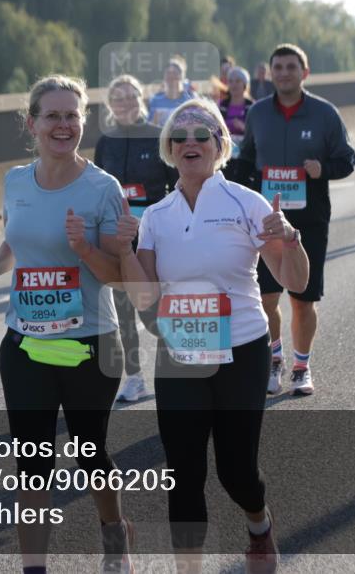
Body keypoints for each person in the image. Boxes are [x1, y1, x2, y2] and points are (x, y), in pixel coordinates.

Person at [117, 98, 309, 574]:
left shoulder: (247, 202)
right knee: (183, 474)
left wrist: (292, 240)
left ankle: (259, 525)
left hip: (241, 352)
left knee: (236, 472)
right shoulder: (158, 216)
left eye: (202, 134)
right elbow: (145, 297)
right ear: (168, 149)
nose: (190, 143)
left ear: (220, 144)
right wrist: (123, 249)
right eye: (179, 137)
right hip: (180, 354)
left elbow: (295, 281)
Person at [0, 75, 133, 573]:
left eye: (72, 116)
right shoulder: (16, 181)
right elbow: (17, 241)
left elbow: (116, 275)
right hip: (26, 345)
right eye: (53, 116)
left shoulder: (103, 188)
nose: (63, 125)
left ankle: (115, 536)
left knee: (90, 453)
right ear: (32, 122)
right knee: (32, 466)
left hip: (88, 344)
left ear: (83, 121)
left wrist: (83, 248)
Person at [234, 43, 355, 396]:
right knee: (266, 299)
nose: (284, 73)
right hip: (266, 222)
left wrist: (323, 169)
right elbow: (246, 160)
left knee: (303, 299)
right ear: (270, 73)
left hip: (308, 222)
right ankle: (275, 360)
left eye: (291, 67)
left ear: (304, 73)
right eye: (279, 67)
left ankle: (302, 367)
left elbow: (347, 159)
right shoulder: (258, 114)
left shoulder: (325, 114)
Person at [95, 74, 177, 402]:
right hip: (118, 241)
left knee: (152, 313)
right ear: (110, 105)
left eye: (131, 96)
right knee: (123, 312)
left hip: (153, 242)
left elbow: (178, 185)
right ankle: (135, 378)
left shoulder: (158, 137)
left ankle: (177, 363)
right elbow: (98, 190)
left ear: (141, 98)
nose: (125, 103)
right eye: (118, 98)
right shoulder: (106, 141)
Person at [149, 56, 196, 126]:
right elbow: (149, 126)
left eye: (175, 73)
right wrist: (154, 121)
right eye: (168, 73)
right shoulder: (155, 100)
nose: (171, 76)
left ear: (182, 76)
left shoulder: (190, 98)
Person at [220, 66, 255, 151]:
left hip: (247, 152)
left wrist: (244, 128)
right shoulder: (222, 105)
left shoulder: (253, 106)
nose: (234, 85)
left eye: (238, 81)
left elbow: (258, 132)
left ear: (245, 84)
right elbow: (215, 129)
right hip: (225, 151)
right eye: (231, 81)